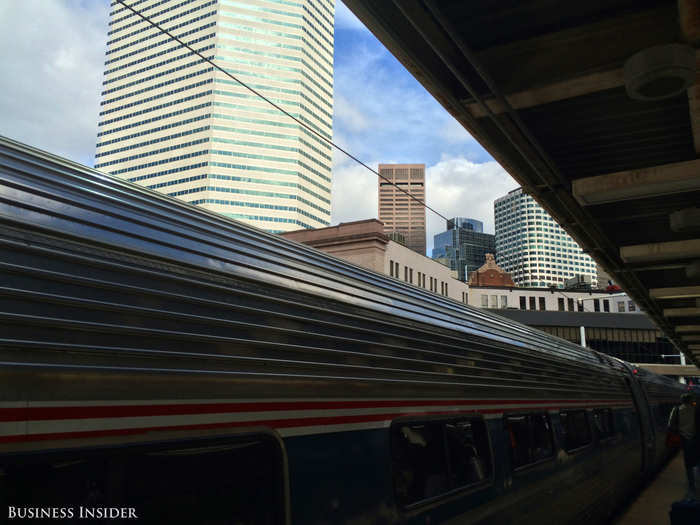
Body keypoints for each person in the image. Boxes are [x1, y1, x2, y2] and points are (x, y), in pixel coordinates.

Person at [668, 393, 700, 500]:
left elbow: (671, 425)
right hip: (696, 439)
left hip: (684, 440)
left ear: (682, 400)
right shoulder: (696, 410)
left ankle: (691, 485)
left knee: (688, 463)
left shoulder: (676, 410)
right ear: (691, 401)